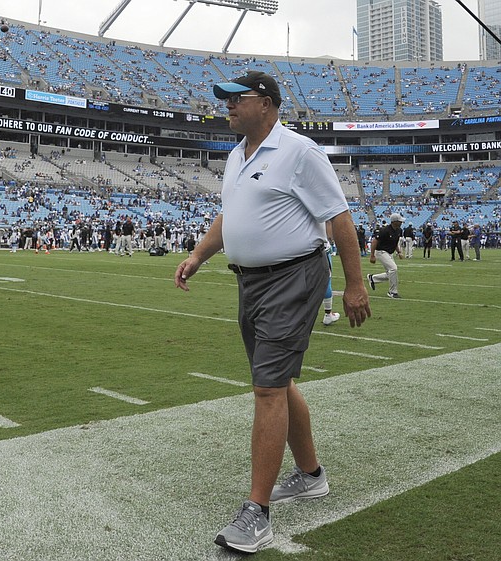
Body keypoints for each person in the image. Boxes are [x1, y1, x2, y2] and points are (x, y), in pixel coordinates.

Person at [174, 71, 371, 554]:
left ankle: (257, 511)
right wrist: (199, 255)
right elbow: (230, 214)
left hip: (292, 276)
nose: (228, 107)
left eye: (236, 100)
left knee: (266, 388)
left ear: (266, 103)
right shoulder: (236, 156)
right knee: (278, 382)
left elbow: (338, 216)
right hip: (250, 281)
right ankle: (311, 475)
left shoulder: (300, 152)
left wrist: (354, 282)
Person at [367, 213, 404, 298]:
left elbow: (395, 243)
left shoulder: (399, 230)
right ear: (394, 222)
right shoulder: (384, 230)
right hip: (381, 252)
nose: (401, 222)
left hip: (389, 252)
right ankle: (392, 292)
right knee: (393, 269)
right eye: (400, 221)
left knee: (391, 274)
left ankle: (372, 278)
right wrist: (372, 255)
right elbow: (374, 241)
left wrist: (399, 252)